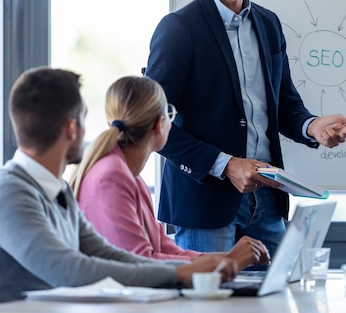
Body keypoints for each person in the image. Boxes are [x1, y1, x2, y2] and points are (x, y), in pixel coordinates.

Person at [144, 0, 346, 256]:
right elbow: (151, 123)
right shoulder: (179, 30)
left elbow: (284, 105)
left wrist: (312, 126)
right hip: (206, 206)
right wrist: (225, 164)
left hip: (267, 201)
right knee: (213, 307)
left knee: (277, 302)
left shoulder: (268, 24)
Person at [0, 67, 238, 309]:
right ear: (71, 129)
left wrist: (188, 270)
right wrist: (181, 274)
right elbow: (72, 270)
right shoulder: (8, 193)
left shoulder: (56, 190)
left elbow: (108, 254)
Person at [69, 76, 269, 267]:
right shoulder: (112, 176)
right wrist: (228, 262)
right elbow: (140, 262)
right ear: (159, 125)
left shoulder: (129, 175)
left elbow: (165, 249)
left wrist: (228, 258)